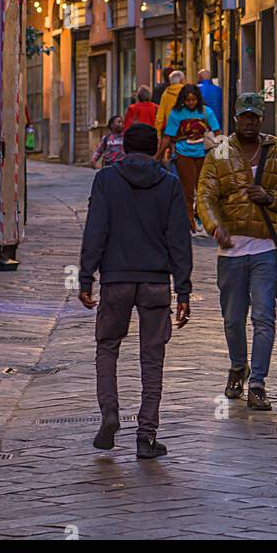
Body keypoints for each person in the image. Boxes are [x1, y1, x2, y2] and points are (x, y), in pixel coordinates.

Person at [78, 122, 192, 460]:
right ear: (156, 147)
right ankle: (146, 435)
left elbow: (95, 231)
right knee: (152, 358)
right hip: (156, 282)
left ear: (124, 148)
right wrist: (183, 291)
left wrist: (86, 279)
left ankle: (110, 412)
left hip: (116, 279)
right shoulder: (170, 185)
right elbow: (179, 241)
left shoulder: (106, 181)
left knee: (107, 347)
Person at [197, 91, 277, 411]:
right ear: (235, 118)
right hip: (230, 253)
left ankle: (257, 383)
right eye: (243, 116)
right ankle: (236, 367)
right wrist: (215, 227)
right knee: (232, 319)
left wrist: (270, 198)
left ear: (261, 119)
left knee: (263, 317)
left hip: (265, 249)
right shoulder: (219, 154)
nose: (248, 121)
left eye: (253, 117)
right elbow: (204, 196)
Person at [159, 83, 220, 233]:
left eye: (193, 100)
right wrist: (158, 155)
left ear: (198, 99)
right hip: (183, 154)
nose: (191, 103)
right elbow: (168, 136)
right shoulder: (176, 113)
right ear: (183, 100)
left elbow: (218, 133)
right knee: (187, 190)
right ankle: (189, 221)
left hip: (203, 154)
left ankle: (200, 214)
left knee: (203, 188)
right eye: (188, 100)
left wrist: (222, 155)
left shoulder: (207, 112)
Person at [154, 69, 185, 134]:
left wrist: (157, 133)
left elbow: (160, 116)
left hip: (171, 129)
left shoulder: (166, 94)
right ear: (182, 80)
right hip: (186, 127)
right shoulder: (187, 92)